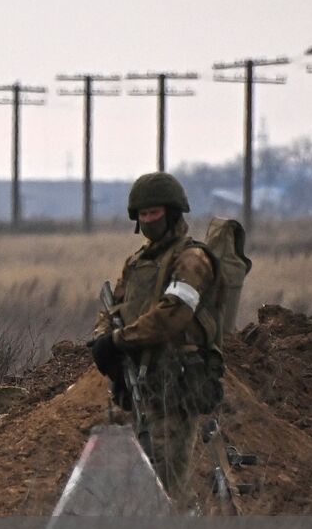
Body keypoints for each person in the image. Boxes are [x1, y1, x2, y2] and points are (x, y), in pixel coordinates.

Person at [89, 172, 224, 496]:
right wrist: (103, 340)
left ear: (173, 213)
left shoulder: (192, 260)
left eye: (155, 213)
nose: (149, 220)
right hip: (142, 385)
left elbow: (173, 314)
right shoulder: (137, 262)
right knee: (143, 483)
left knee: (166, 484)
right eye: (143, 214)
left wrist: (120, 341)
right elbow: (114, 309)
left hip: (175, 387)